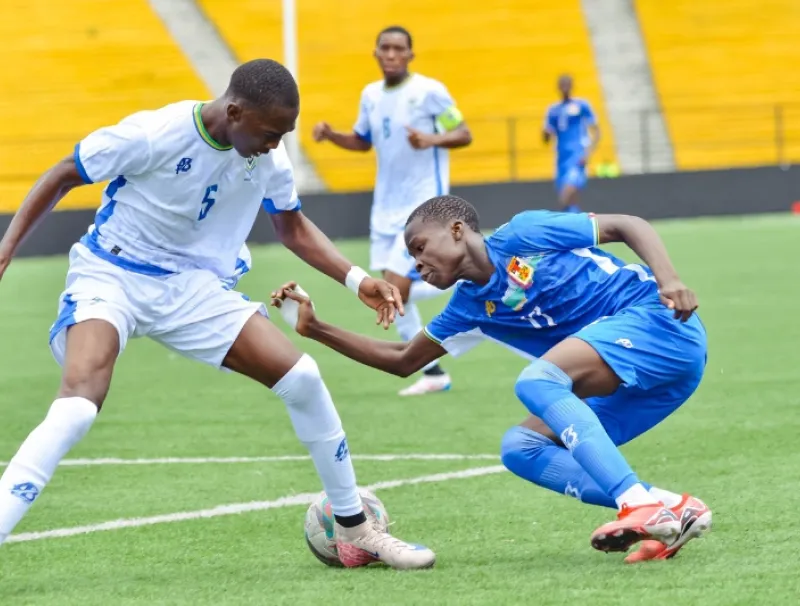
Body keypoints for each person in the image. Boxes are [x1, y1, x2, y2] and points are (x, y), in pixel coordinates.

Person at [0, 59, 436, 570]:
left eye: (285, 135)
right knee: (77, 406)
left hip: (195, 289)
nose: (277, 146)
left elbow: (292, 228)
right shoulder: (152, 133)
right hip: (113, 274)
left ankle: (355, 527)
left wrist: (357, 280)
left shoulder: (267, 157)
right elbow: (63, 174)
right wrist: (6, 248)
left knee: (305, 379)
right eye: (272, 133)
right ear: (234, 111)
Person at [272, 195, 713, 563]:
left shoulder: (525, 234)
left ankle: (635, 503)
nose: (417, 265)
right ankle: (672, 509)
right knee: (520, 449)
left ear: (459, 229)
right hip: (640, 380)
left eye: (421, 247)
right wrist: (316, 329)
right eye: (411, 257)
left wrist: (669, 280)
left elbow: (627, 225)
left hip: (662, 323)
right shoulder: (468, 307)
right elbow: (405, 359)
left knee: (537, 381)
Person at [312, 25, 472, 396]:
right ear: (376, 53)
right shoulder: (370, 95)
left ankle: (468, 280)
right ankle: (433, 372)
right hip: (384, 210)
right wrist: (332, 135)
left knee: (393, 290)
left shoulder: (429, 92)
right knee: (390, 293)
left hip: (424, 207)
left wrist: (431, 138)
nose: (391, 54)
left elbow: (463, 133)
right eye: (385, 48)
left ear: (410, 55)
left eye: (399, 49)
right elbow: (363, 141)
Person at [543, 75, 600, 213]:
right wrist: (545, 133)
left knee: (567, 192)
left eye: (567, 84)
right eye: (562, 84)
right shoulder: (553, 110)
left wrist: (588, 153)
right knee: (570, 201)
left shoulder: (581, 105)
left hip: (577, 155)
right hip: (562, 158)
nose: (565, 87)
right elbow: (546, 138)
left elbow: (596, 131)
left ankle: (555, 220)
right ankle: (576, 225)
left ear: (572, 86)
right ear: (558, 87)